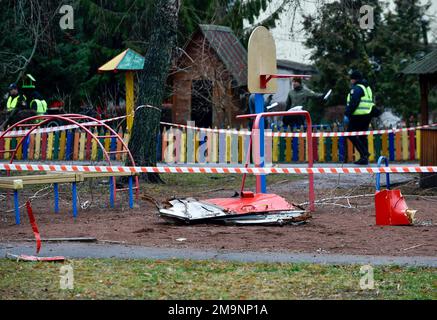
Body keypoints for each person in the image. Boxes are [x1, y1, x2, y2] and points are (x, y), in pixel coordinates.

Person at [344, 70, 374, 165]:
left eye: (351, 79)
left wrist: (347, 113)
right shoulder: (367, 87)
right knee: (362, 136)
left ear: (354, 79)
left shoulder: (357, 88)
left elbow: (354, 102)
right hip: (367, 114)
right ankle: (364, 158)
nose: (350, 81)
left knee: (350, 133)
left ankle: (364, 153)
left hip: (358, 115)